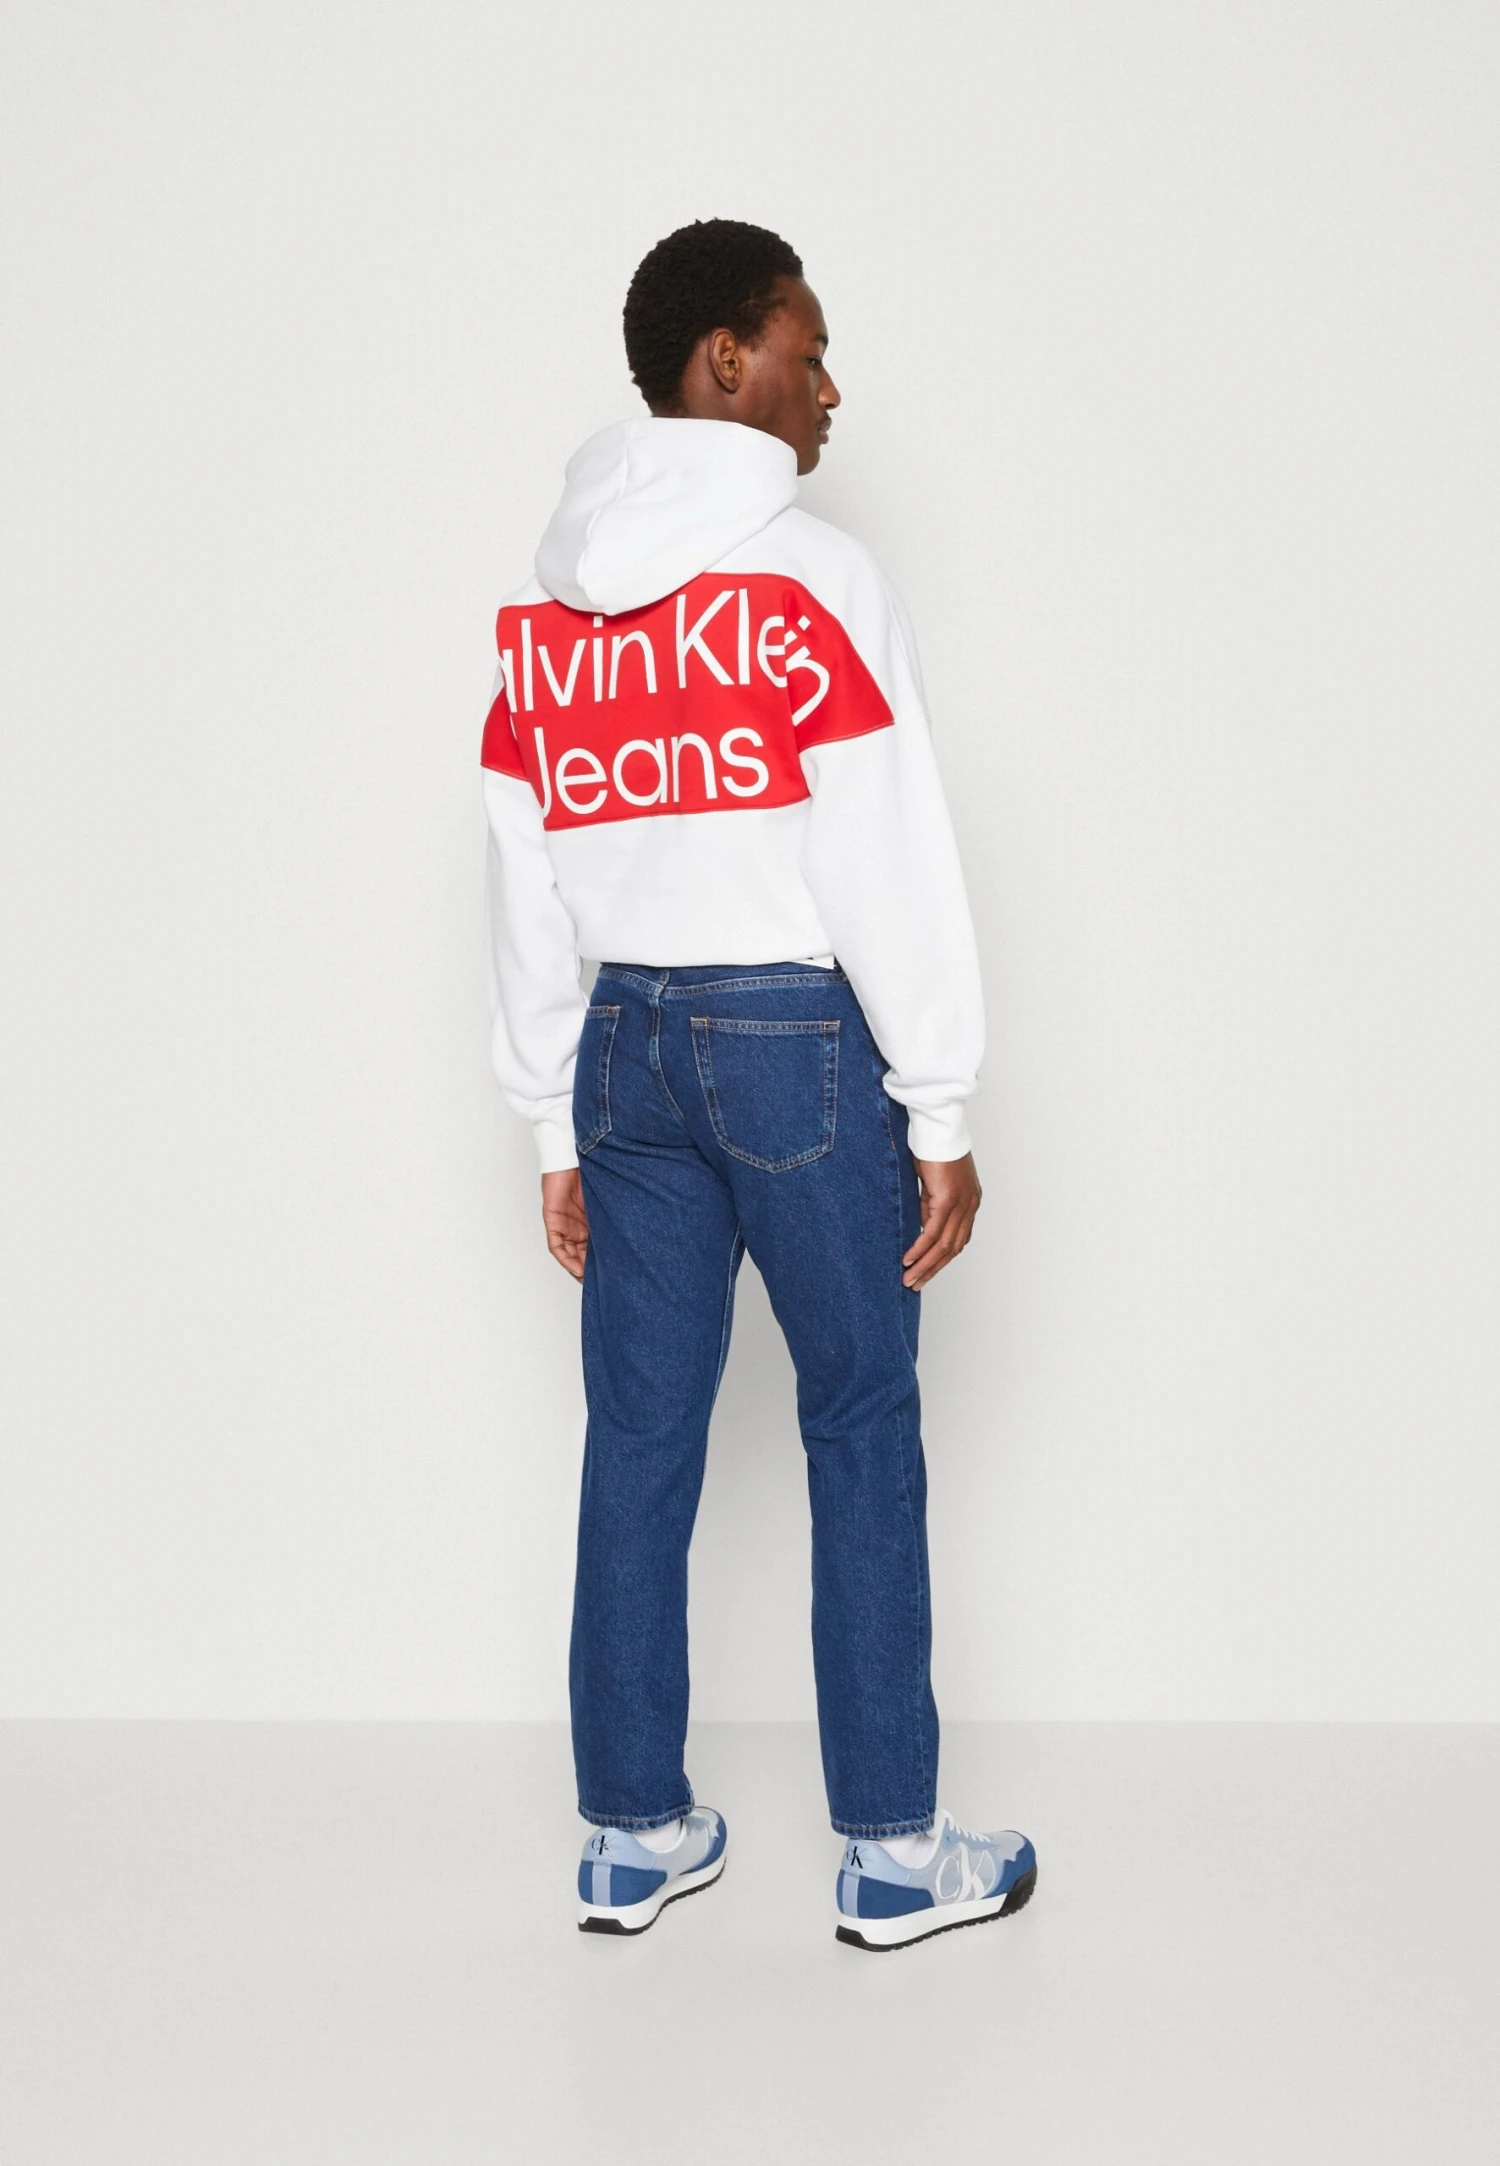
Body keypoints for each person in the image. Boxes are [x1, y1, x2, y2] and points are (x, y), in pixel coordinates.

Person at [480, 218, 1037, 1951]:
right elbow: (887, 848)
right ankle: (894, 1850)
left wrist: (551, 1115)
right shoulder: (814, 578)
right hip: (795, 1045)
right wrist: (940, 1100)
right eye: (807, 349)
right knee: (857, 1421)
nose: (830, 388)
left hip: (624, 1052)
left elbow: (526, 870)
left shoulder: (546, 608)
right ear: (725, 358)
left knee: (640, 1435)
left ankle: (632, 1831)